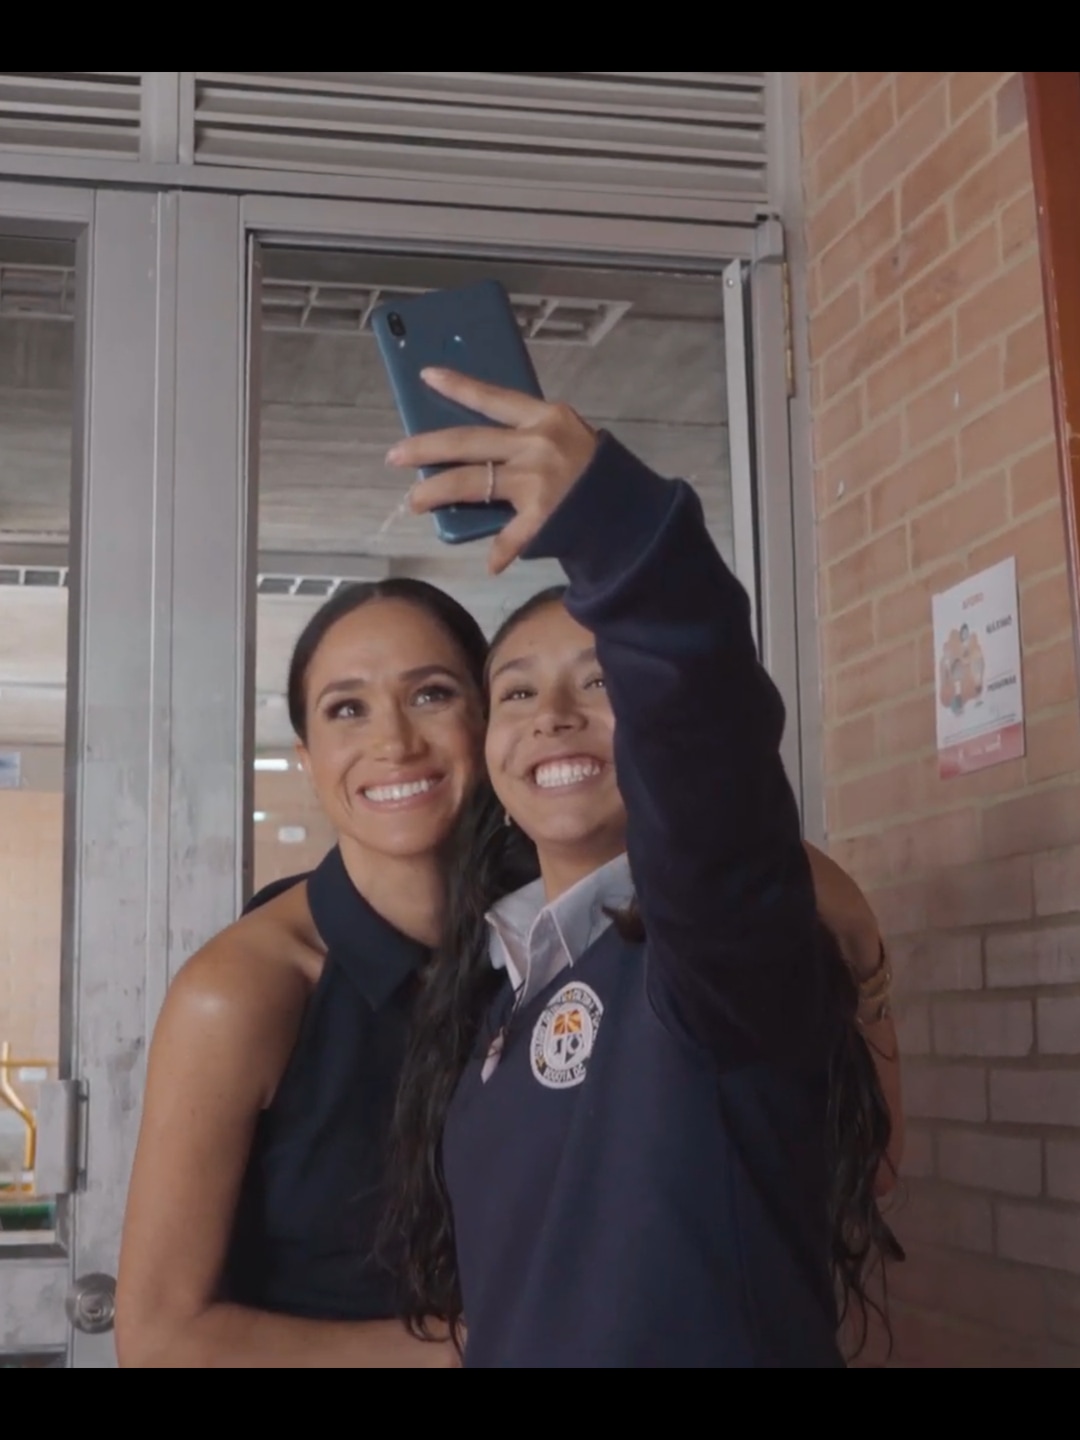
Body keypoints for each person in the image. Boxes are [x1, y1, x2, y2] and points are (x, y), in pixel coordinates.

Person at [384, 369, 901, 1368]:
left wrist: (622, 536)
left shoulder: (708, 949)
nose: (555, 716)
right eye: (521, 692)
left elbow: (709, 753)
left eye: (603, 681)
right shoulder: (502, 985)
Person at [115, 578, 489, 1368]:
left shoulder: (552, 928)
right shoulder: (242, 991)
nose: (394, 742)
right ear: (308, 759)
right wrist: (481, 1350)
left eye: (431, 694)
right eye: (347, 709)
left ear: (489, 723)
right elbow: (158, 1338)